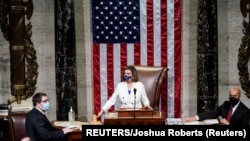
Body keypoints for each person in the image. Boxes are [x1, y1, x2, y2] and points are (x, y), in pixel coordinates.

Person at [182, 87, 250, 125]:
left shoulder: (245, 111)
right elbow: (213, 113)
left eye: (234, 96)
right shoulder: (226, 104)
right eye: (230, 96)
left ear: (239, 96)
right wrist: (194, 118)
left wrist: (228, 123)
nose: (232, 97)